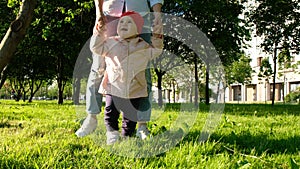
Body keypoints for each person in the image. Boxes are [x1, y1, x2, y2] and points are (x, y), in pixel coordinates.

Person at [75, 0, 163, 138]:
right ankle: (91, 118)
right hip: (109, 14)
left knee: (142, 71)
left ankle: (142, 125)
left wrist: (157, 14)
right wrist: (99, 12)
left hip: (139, 16)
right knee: (98, 67)